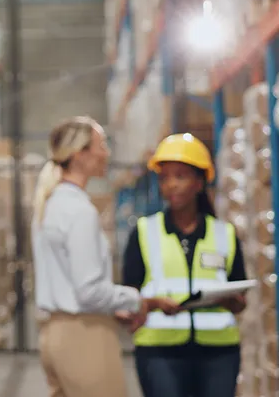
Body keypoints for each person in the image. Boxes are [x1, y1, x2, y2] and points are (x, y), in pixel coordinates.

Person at [31, 116, 178, 397]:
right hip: (84, 338)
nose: (106, 153)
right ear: (79, 156)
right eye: (101, 145)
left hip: (53, 336)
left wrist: (113, 306)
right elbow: (88, 291)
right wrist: (141, 301)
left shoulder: (50, 204)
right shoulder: (79, 211)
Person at [121, 133, 247, 397]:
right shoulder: (145, 232)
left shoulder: (224, 234)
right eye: (164, 178)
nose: (171, 185)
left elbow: (240, 295)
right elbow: (128, 293)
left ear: (200, 182)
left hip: (219, 352)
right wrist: (155, 303)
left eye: (180, 176)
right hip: (160, 351)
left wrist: (232, 302)